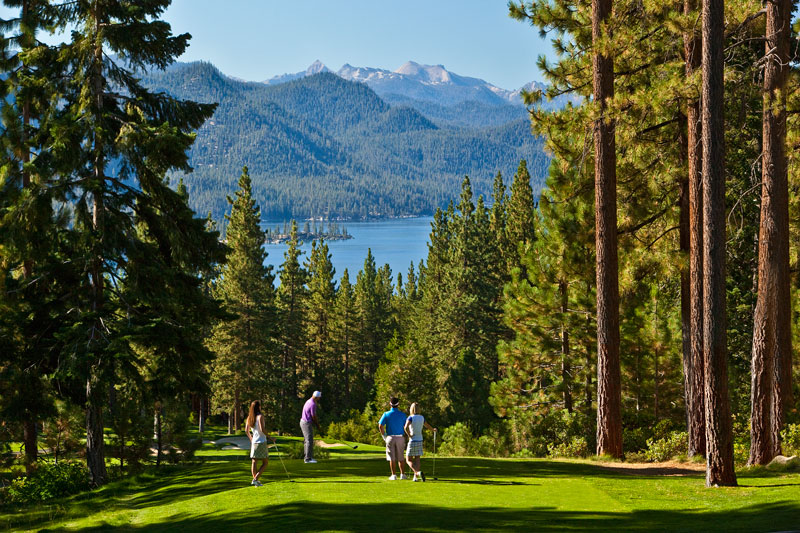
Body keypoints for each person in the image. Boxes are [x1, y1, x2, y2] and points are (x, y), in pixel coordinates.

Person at [403, 402, 436, 482]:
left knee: (408, 459)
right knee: (417, 459)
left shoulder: (410, 418)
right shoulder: (422, 417)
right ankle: (415, 477)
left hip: (412, 440)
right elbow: (427, 425)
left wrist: (409, 435)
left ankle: (417, 473)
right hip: (420, 440)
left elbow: (405, 427)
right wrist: (433, 429)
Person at [378, 397, 408, 480]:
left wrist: (384, 435)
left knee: (392, 457)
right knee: (401, 456)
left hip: (390, 437)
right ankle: (402, 474)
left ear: (390, 404)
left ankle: (394, 475)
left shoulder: (386, 414)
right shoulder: (402, 414)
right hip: (400, 437)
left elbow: (380, 426)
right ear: (398, 404)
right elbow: (406, 426)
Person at [245, 400, 272, 486]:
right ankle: (255, 479)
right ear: (259, 407)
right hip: (262, 441)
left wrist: (251, 439)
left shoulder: (250, 417)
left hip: (254, 442)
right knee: (265, 462)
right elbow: (262, 429)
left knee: (254, 461)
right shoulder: (260, 416)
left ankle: (255, 481)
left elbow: (246, 431)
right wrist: (270, 437)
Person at [300, 390, 322, 463]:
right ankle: (308, 459)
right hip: (306, 423)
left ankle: (307, 457)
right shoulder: (313, 404)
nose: (319, 399)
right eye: (319, 398)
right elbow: (313, 416)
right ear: (317, 397)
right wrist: (317, 425)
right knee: (309, 440)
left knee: (307, 440)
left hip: (303, 422)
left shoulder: (308, 401)